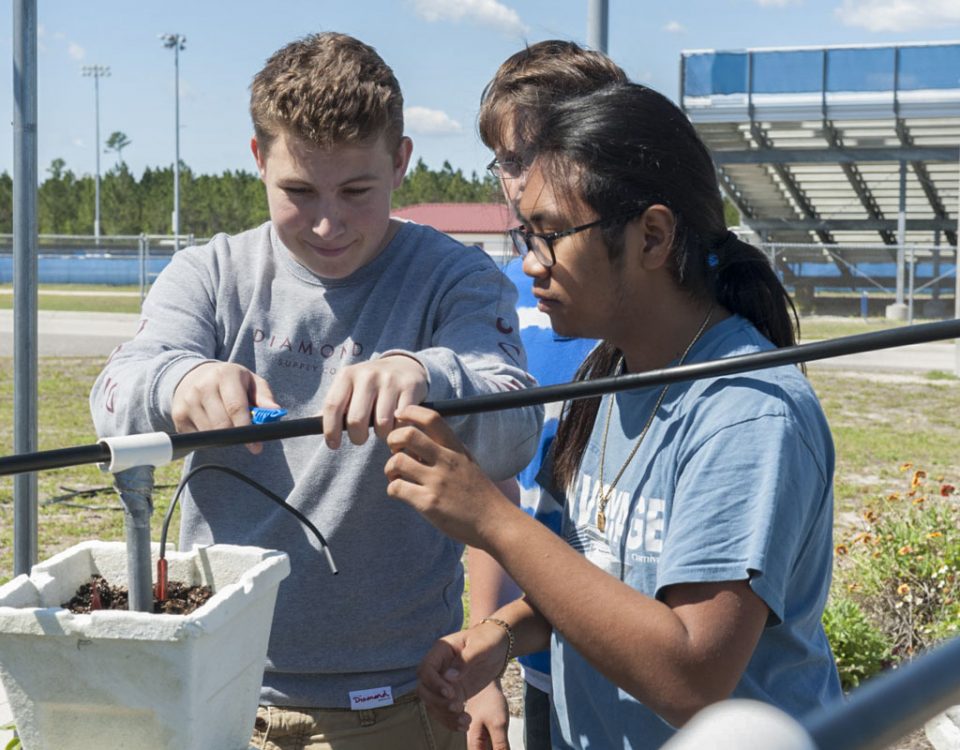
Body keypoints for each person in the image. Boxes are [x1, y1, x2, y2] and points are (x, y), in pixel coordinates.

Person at [89, 32, 541, 750]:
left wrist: (426, 375)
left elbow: (515, 424)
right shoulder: (210, 273)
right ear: (257, 161)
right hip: (215, 690)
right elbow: (113, 393)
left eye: (357, 191)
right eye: (298, 192)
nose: (329, 224)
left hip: (396, 701)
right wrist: (180, 381)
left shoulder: (457, 278)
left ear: (400, 163)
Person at [383, 82, 843, 749]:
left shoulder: (748, 413)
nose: (528, 264)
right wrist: (503, 633)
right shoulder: (614, 373)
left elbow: (691, 678)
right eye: (525, 234)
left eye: (548, 236)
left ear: (652, 236)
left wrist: (491, 518)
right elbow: (597, 576)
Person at [474, 40, 626, 750]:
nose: (518, 182)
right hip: (541, 658)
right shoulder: (501, 295)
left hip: (643, 660)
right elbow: (494, 484)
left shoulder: (649, 303)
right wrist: (486, 649)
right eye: (506, 161)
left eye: (538, 154)